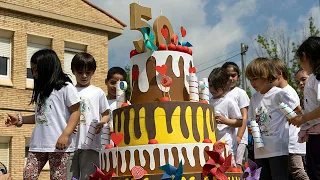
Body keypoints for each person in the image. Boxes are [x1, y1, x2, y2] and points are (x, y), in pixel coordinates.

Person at [5, 49, 80, 180]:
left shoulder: (66, 87)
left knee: (58, 178)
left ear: (48, 68)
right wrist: (20, 119)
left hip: (59, 146)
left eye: (36, 70)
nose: (33, 74)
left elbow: (76, 112)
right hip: (38, 144)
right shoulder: (42, 92)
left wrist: (65, 134)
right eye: (32, 70)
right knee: (28, 176)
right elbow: (41, 116)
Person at [246, 57, 300, 180]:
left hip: (278, 149)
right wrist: (251, 129)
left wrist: (292, 119)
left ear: (266, 76)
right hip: (260, 150)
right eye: (250, 80)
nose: (252, 83)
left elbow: (297, 110)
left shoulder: (278, 94)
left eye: (255, 79)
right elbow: (253, 119)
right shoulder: (254, 98)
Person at [67, 52, 110, 180]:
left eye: (88, 72)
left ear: (93, 72)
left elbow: (106, 114)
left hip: (91, 144)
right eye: (80, 72)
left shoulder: (98, 92)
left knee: (89, 177)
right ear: (73, 71)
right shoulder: (68, 91)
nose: (84, 76)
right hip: (70, 144)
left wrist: (102, 123)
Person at [272, 58, 308, 180]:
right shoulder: (282, 91)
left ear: (279, 74)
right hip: (287, 142)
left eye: (270, 77)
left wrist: (291, 117)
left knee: (297, 171)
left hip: (293, 141)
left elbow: (298, 110)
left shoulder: (287, 92)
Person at [290, 36, 320, 179]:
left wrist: (303, 118)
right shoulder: (314, 78)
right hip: (313, 135)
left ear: (305, 56)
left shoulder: (317, 78)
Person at [208, 67, 242, 166]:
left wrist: (225, 121)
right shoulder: (208, 102)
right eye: (210, 86)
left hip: (227, 145)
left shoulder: (228, 101)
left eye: (217, 87)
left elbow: (239, 122)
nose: (212, 89)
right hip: (213, 144)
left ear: (225, 86)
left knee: (227, 171)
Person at [222, 62, 250, 168]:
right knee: (226, 166)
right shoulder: (221, 93)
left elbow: (245, 116)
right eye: (227, 75)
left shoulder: (240, 93)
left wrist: (239, 136)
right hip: (226, 137)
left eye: (233, 75)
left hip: (239, 137)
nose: (230, 78)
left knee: (236, 167)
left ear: (238, 76)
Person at [103, 67, 127, 145]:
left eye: (119, 84)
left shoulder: (126, 104)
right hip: (101, 144)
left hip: (119, 144)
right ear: (106, 81)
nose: (115, 87)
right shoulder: (101, 102)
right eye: (113, 82)